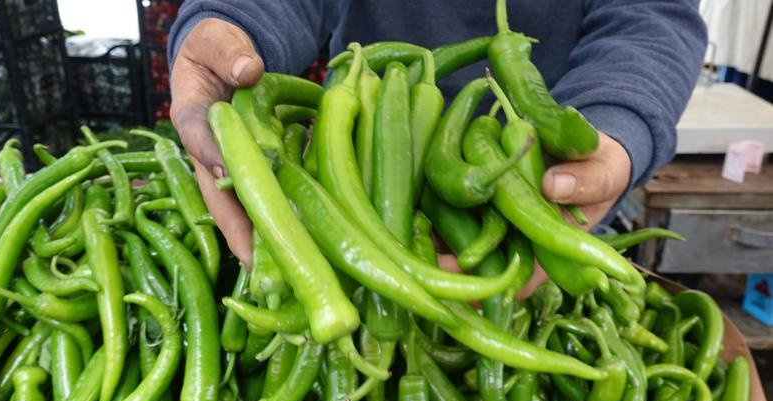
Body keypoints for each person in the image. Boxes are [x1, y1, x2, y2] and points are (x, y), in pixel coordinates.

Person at [167, 0, 707, 291]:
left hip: (542, 190)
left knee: (560, 288)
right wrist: (231, 22)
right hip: (351, 182)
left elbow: (651, 14)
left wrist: (616, 120)